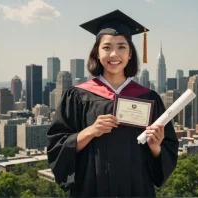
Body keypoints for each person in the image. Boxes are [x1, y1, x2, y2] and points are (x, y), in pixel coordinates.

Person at [47, 9, 179, 197]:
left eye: (122, 47)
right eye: (107, 47)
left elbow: (167, 151)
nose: (114, 54)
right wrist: (90, 131)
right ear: (97, 53)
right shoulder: (78, 96)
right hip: (89, 190)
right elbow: (56, 146)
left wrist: (156, 147)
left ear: (130, 54)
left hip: (136, 189)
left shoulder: (149, 98)